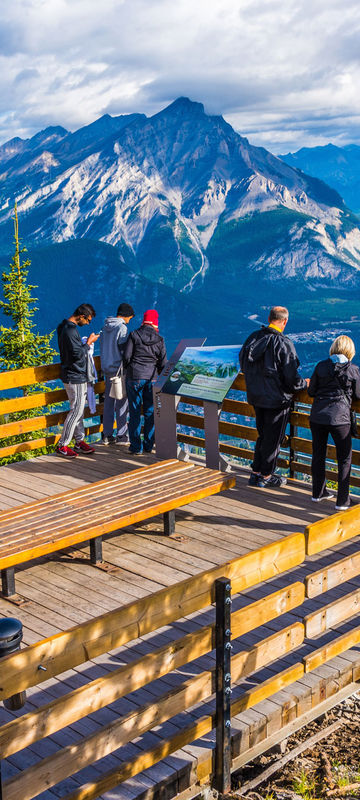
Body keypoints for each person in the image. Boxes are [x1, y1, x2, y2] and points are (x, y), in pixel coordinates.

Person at [240, 306, 308, 488]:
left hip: (256, 397)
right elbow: (292, 378)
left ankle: (256, 472)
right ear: (284, 322)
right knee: (273, 439)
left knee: (262, 435)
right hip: (277, 400)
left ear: (269, 318)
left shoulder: (253, 338)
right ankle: (266, 476)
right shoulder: (283, 344)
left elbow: (243, 363)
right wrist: (305, 384)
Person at [308, 335, 360, 511]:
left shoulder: (321, 366)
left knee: (318, 454)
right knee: (344, 459)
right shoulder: (353, 370)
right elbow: (358, 395)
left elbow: (311, 390)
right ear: (350, 351)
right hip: (340, 419)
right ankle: (342, 501)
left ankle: (318, 493)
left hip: (318, 417)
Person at [56, 303, 99, 458]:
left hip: (68, 374)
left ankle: (79, 441)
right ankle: (62, 445)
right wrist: (88, 343)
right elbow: (77, 355)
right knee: (76, 411)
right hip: (76, 376)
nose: (87, 323)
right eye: (87, 320)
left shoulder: (63, 327)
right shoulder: (71, 330)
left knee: (78, 409)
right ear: (81, 316)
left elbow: (71, 351)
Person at [123, 309, 167, 454]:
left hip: (134, 377)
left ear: (144, 320)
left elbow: (127, 357)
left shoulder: (134, 335)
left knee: (134, 412)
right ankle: (148, 445)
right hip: (152, 378)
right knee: (150, 411)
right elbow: (163, 363)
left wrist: (131, 369)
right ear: (156, 321)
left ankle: (136, 447)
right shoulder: (160, 339)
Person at [99, 303, 135, 445]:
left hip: (107, 370)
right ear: (126, 315)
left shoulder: (104, 327)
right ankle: (121, 436)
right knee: (121, 402)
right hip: (119, 371)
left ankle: (107, 435)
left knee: (108, 402)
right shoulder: (122, 328)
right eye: (130, 318)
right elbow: (124, 352)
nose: (129, 320)